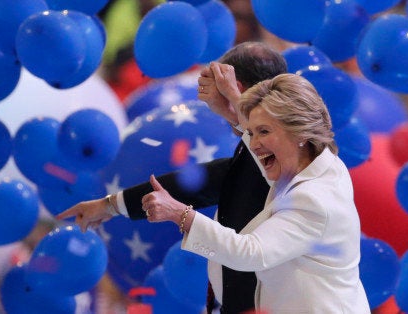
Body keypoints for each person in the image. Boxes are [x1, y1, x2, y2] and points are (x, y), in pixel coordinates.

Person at [57, 41, 287, 313]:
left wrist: (179, 215)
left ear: (239, 88)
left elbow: (245, 248)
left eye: (224, 90)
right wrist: (109, 205)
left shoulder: (293, 159)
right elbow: (204, 181)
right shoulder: (255, 153)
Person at [141, 73, 370, 313]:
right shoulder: (322, 164)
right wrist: (235, 112)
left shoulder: (312, 200)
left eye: (263, 132)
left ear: (300, 130)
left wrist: (181, 214)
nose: (252, 143)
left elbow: (250, 253)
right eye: (251, 133)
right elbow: (271, 157)